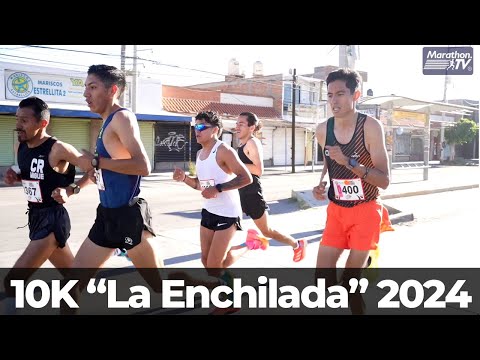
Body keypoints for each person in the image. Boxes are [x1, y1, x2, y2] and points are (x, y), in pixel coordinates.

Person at [61, 65, 164, 314]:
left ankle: (217, 289)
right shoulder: (105, 123)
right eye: (85, 87)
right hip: (107, 217)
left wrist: (96, 161)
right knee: (71, 287)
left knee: (162, 287)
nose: (86, 93)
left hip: (128, 217)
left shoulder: (122, 118)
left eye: (92, 87)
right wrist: (74, 187)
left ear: (113, 90)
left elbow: (143, 165)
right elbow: (102, 171)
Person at [313, 68, 393, 314]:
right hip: (337, 211)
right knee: (321, 280)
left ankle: (363, 266)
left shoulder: (370, 127)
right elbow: (329, 159)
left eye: (340, 94)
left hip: (366, 209)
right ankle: (364, 264)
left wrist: (349, 162)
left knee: (350, 282)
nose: (334, 101)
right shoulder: (322, 129)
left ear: (356, 95)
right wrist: (321, 182)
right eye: (329, 95)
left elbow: (384, 180)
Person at [1, 96, 93, 314]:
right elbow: (35, 173)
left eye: (24, 120)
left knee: (13, 281)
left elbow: (94, 169)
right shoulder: (21, 146)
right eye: (17, 119)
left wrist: (71, 190)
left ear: (42, 123)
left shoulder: (58, 149)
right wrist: (17, 175)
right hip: (34, 217)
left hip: (52, 220)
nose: (18, 125)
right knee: (72, 278)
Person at [173, 111, 260, 315]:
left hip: (227, 213)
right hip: (209, 212)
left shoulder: (223, 151)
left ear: (216, 130)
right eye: (196, 126)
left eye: (202, 127)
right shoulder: (200, 154)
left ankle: (229, 301)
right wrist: (184, 178)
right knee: (207, 261)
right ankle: (250, 244)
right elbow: (201, 186)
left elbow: (246, 177)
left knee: (214, 264)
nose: (197, 130)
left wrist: (219, 189)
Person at [235, 112, 307, 262]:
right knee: (227, 222)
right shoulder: (242, 143)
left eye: (241, 124)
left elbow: (258, 170)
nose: (237, 127)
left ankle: (297, 244)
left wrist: (235, 165)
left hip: (252, 194)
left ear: (251, 127)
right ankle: (253, 239)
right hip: (240, 192)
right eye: (237, 123)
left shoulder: (252, 143)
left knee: (267, 231)